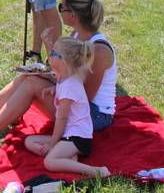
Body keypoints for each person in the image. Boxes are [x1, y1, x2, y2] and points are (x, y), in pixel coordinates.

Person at [0, 0, 117, 150]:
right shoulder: (76, 36)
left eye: (61, 7)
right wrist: (49, 65)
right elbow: (67, 72)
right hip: (79, 102)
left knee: (32, 84)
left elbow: (85, 95)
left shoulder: (99, 50)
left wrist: (52, 81)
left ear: (73, 15)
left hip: (94, 116)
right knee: (27, 78)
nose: (59, 11)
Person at [24, 37, 111, 178]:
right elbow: (65, 90)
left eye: (53, 54)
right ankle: (69, 158)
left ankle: (96, 171)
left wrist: (52, 143)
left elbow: (62, 118)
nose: (50, 55)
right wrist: (54, 89)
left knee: (49, 162)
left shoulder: (69, 85)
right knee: (29, 141)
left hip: (78, 138)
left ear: (63, 62)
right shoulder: (64, 78)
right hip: (68, 135)